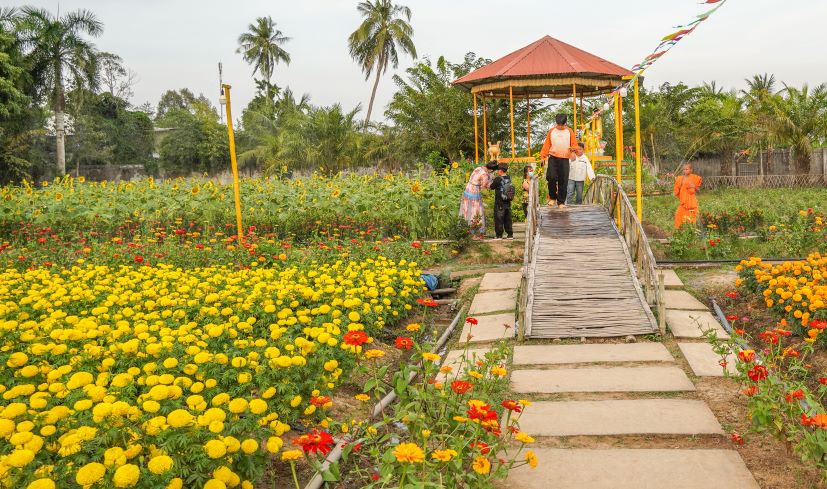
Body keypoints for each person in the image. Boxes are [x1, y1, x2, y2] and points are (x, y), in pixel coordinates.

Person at [541, 113, 578, 208]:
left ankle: (561, 202)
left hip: (565, 159)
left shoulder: (569, 131)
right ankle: (552, 198)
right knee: (551, 177)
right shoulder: (551, 131)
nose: (560, 127)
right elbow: (546, 145)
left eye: (562, 125)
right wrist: (543, 156)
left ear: (565, 123)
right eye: (558, 124)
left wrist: (573, 151)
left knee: (563, 180)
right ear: (556, 123)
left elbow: (574, 144)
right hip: (553, 157)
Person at [459, 161, 498, 238]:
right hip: (474, 192)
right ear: (491, 170)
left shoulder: (478, 168)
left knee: (467, 210)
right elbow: (485, 186)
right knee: (476, 211)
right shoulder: (485, 174)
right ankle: (475, 231)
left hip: (468, 189)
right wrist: (493, 181)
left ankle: (465, 229)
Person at [673, 163, 702, 228]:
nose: (685, 171)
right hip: (683, 203)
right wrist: (676, 181)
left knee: (691, 221)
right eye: (683, 169)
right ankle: (679, 232)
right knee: (678, 216)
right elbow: (677, 190)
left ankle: (691, 232)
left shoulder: (695, 178)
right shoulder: (680, 178)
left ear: (691, 170)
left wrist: (694, 186)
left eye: (686, 169)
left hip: (691, 204)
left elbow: (699, 192)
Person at [490, 163, 514, 240]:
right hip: (508, 201)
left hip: (499, 202)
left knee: (499, 218)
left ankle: (499, 235)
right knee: (508, 218)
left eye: (497, 170)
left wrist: (492, 179)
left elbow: (491, 187)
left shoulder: (498, 179)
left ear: (500, 171)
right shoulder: (509, 177)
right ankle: (510, 234)